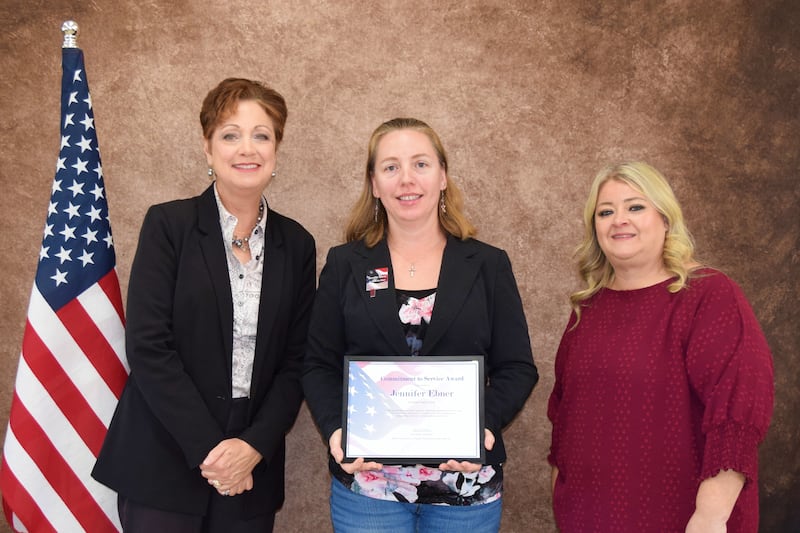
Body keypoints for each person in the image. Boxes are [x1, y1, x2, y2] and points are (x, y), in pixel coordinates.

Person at [92, 78, 316, 532]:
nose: (246, 148)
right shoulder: (168, 225)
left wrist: (251, 447)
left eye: (261, 134)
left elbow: (298, 361)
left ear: (276, 150)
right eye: (230, 134)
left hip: (251, 465)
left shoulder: (297, 244)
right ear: (208, 149)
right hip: (164, 451)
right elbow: (149, 347)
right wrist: (213, 452)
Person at [303, 117, 538, 533]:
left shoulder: (488, 264)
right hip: (368, 487)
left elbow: (517, 367)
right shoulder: (344, 264)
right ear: (374, 183)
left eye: (421, 164)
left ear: (443, 176)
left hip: (465, 485)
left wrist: (481, 427)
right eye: (390, 167)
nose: (406, 179)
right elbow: (318, 364)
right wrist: (337, 430)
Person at [547, 161, 774, 532]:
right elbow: (565, 416)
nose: (619, 219)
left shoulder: (709, 296)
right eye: (606, 212)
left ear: (665, 219)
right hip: (588, 520)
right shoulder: (587, 309)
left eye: (635, 206)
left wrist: (709, 518)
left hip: (684, 519)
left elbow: (737, 414)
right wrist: (562, 496)